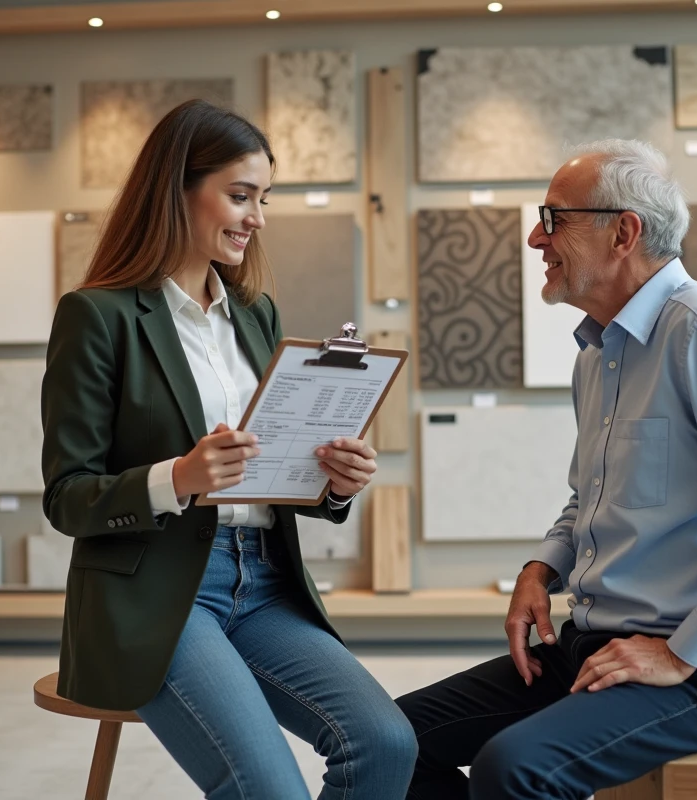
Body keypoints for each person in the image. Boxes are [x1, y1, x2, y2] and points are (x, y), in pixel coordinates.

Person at [396, 139, 697, 800]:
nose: (533, 238)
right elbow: (588, 498)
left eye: (553, 219)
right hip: (594, 643)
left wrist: (683, 650)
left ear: (623, 232)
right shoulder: (594, 353)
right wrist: (540, 569)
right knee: (392, 739)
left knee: (512, 768)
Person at [41, 99, 417, 800]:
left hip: (265, 584)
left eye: (263, 198)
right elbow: (66, 497)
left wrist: (333, 480)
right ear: (176, 189)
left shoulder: (254, 312)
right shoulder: (98, 316)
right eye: (240, 196)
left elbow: (269, 463)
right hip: (160, 594)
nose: (258, 217)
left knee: (386, 742)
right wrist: (177, 477)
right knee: (267, 789)